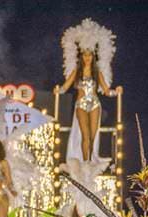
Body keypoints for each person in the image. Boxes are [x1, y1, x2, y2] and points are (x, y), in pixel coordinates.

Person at [57, 18, 121, 162]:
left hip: (95, 104)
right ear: (81, 56)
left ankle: (91, 162)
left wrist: (116, 92)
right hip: (80, 104)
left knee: (92, 136)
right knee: (85, 136)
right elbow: (65, 87)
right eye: (84, 54)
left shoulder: (97, 72)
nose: (87, 57)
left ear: (93, 56)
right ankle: (85, 163)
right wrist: (58, 91)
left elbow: (106, 91)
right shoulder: (76, 71)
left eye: (89, 54)